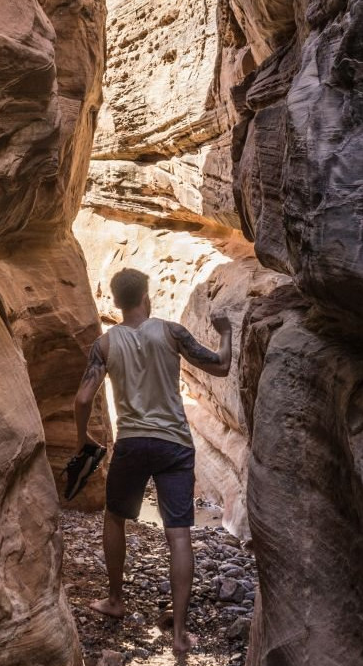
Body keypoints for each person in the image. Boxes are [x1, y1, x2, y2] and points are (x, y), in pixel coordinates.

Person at [70, 267, 232, 656]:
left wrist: (82, 439)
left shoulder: (105, 344)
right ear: (146, 297)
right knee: (178, 534)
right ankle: (178, 634)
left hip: (132, 443)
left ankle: (115, 599)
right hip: (174, 444)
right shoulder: (171, 332)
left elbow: (81, 399)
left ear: (117, 302)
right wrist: (226, 331)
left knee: (114, 516)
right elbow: (221, 365)